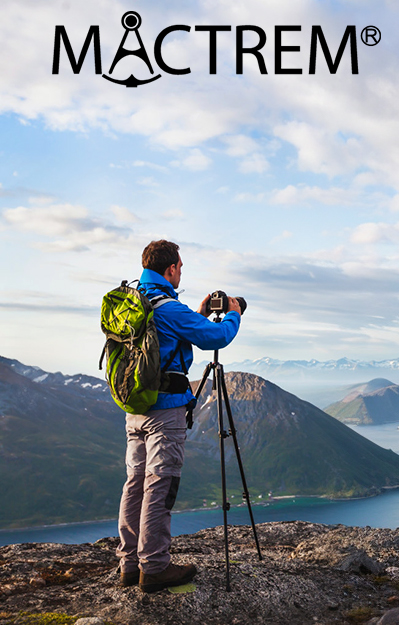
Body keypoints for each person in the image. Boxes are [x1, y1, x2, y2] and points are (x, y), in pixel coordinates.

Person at [116, 240, 243, 593]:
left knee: (135, 483)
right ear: (171, 269)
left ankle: (129, 564)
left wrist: (197, 313)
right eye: (181, 267)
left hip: (135, 409)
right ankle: (155, 566)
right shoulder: (169, 307)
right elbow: (217, 337)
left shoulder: (133, 301)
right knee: (161, 483)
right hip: (165, 410)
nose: (181, 272)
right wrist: (232, 312)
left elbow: (168, 338)